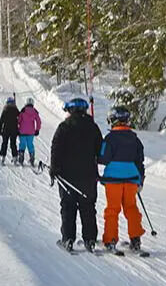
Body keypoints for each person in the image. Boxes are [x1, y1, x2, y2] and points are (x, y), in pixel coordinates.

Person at [50, 98, 103, 252]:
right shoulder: (93, 127)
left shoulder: (64, 127)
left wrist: (54, 168)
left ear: (70, 111)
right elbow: (100, 151)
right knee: (88, 207)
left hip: (67, 177)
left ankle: (68, 239)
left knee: (68, 207)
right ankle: (90, 239)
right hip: (88, 176)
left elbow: (56, 148)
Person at [99, 106, 146, 253]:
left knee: (113, 209)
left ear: (113, 120)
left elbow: (103, 158)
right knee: (131, 208)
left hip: (113, 180)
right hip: (131, 179)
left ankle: (111, 240)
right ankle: (135, 239)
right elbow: (140, 161)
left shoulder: (110, 138)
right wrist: (140, 180)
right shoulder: (135, 139)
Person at [17, 97, 41, 166]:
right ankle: (32, 158)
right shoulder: (35, 111)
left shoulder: (23, 110)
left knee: (22, 144)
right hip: (31, 132)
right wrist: (37, 129)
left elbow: (19, 120)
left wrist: (17, 127)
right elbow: (38, 121)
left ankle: (21, 158)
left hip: (22, 131)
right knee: (30, 144)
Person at [0, 96, 20, 165]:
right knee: (13, 144)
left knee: (4, 143)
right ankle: (15, 157)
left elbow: (1, 121)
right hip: (14, 130)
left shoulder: (5, 110)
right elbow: (19, 120)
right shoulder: (16, 111)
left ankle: (2, 157)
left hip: (6, 130)